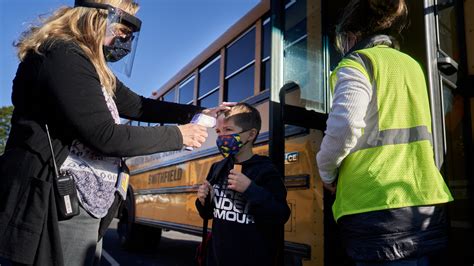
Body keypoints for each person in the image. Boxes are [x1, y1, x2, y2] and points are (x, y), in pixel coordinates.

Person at [0, 0, 230, 265]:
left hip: (83, 200)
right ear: (97, 18)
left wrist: (197, 113)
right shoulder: (61, 54)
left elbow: (138, 105)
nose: (125, 40)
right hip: (53, 199)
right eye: (122, 30)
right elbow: (105, 135)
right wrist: (180, 136)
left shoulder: (90, 64)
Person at [316, 0, 453, 265]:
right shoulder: (412, 65)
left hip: (375, 205)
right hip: (422, 199)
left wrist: (326, 171)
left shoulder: (356, 63)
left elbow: (345, 126)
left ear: (351, 36)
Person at [195, 103, 291, 266]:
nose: (221, 137)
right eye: (219, 131)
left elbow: (280, 215)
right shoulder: (218, 168)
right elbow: (208, 214)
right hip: (216, 258)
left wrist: (250, 189)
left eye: (229, 130)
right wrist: (203, 200)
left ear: (251, 134)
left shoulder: (265, 170)